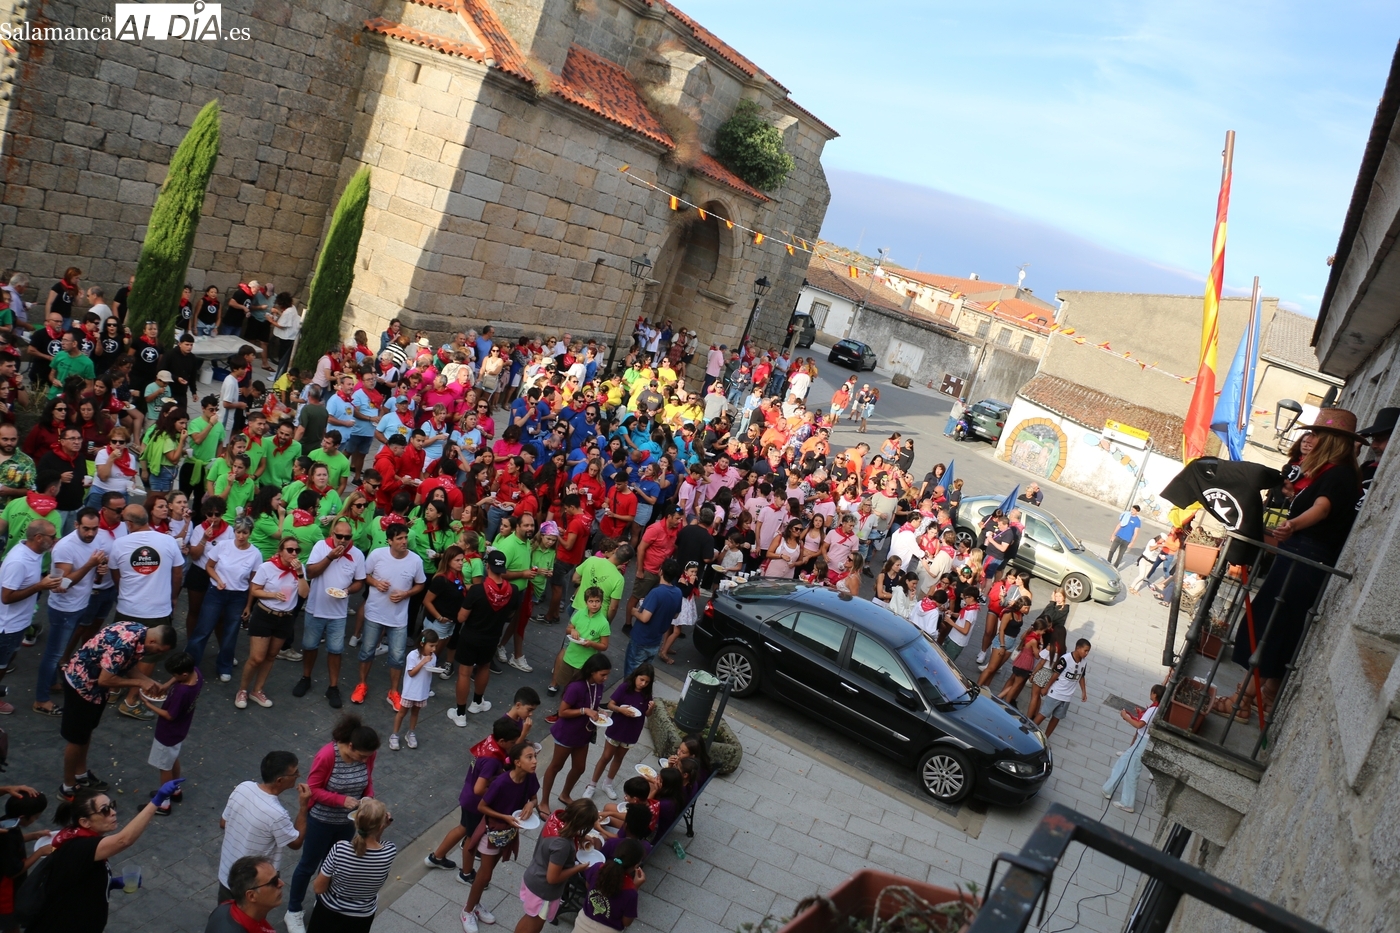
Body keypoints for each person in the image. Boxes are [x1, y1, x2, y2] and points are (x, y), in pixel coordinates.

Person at [25, 784, 178, 932]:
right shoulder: (81, 846)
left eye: (112, 806)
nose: (113, 812)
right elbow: (123, 840)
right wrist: (156, 801)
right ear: (85, 822)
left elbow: (78, 882)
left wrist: (110, 883)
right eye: (105, 810)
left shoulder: (79, 838)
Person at [59, 617, 178, 799]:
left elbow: (126, 666)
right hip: (82, 685)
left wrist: (149, 682)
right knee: (76, 738)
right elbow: (105, 680)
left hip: (95, 690)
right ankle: (68, 786)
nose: (158, 655)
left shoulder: (140, 633)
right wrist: (139, 683)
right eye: (159, 651)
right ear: (153, 641)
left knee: (85, 732)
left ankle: (80, 775)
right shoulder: (124, 645)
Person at [284, 715, 380, 933]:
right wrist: (340, 800)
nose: (364, 760)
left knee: (332, 864)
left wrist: (368, 796)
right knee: (308, 865)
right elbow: (313, 789)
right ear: (350, 745)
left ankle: (322, 899)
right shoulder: (328, 755)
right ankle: (293, 910)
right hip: (321, 821)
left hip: (347, 822)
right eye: (361, 756)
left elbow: (368, 779)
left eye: (368, 757)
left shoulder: (368, 754)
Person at [33, 508, 110, 714]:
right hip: (64, 609)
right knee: (53, 654)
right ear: (76, 525)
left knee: (60, 650)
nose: (91, 533)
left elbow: (97, 569)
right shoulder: (65, 547)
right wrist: (90, 565)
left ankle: (51, 683)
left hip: (81, 604)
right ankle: (41, 700)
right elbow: (64, 582)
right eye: (86, 529)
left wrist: (101, 569)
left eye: (94, 528)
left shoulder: (97, 539)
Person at [460, 741, 540, 933]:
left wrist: (531, 804)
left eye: (535, 757)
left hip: (508, 831)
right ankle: (467, 911)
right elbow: (482, 807)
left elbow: (534, 797)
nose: (534, 761)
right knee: (485, 874)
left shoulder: (529, 777)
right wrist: (505, 817)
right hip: (492, 831)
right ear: (517, 762)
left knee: (487, 872)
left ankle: (476, 904)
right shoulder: (501, 782)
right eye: (529, 757)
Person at [217, 750, 311, 903]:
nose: (298, 775)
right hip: (254, 885)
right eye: (295, 773)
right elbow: (296, 842)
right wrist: (303, 806)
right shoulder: (276, 814)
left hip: (227, 874)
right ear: (279, 780)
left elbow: (223, 823)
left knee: (224, 914)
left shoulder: (243, 787)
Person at [353, 523, 427, 710]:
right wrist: (376, 583)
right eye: (400, 538)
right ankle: (362, 685)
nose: (404, 541)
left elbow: (420, 584)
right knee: (367, 651)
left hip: (398, 619)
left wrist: (406, 594)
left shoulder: (415, 560)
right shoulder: (377, 555)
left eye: (405, 537)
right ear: (390, 541)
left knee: (398, 657)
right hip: (374, 613)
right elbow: (364, 575)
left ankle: (393, 692)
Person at [297, 519, 368, 708]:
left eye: (347, 537)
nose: (343, 540)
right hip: (316, 608)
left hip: (338, 612)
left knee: (335, 650)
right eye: (339, 536)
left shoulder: (357, 554)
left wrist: (348, 591)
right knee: (309, 646)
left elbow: (360, 581)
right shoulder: (321, 547)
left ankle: (333, 686)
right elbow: (310, 573)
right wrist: (330, 557)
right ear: (332, 534)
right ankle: (306, 677)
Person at [237, 537, 310, 710]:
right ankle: (242, 690)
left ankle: (257, 690)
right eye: (290, 550)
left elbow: (304, 594)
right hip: (265, 615)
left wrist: (300, 573)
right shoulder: (267, 567)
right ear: (280, 551)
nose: (294, 553)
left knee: (271, 656)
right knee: (257, 658)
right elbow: (255, 590)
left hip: (285, 618)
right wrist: (273, 595)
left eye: (297, 550)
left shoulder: (299, 569)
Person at [449, 550, 522, 723]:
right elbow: (511, 615)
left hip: (470, 636)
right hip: (492, 637)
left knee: (464, 673)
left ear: (487, 566)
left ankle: (460, 714)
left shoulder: (477, 590)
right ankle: (477, 702)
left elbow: (461, 617)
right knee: (484, 667)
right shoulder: (513, 590)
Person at [188, 515, 261, 682]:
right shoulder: (222, 546)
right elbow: (209, 566)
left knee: (231, 632)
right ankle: (190, 664)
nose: (241, 536)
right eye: (238, 532)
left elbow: (253, 582)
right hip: (216, 592)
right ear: (234, 532)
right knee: (203, 628)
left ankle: (225, 665)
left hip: (238, 596)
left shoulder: (255, 554)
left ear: (250, 533)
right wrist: (218, 580)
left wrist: (248, 605)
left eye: (245, 533)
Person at [308, 798, 397, 933]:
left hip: (328, 913)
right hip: (361, 918)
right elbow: (376, 846)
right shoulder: (389, 851)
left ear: (356, 821)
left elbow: (318, 888)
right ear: (380, 826)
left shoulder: (340, 849)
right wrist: (381, 829)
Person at [512, 799, 599, 933]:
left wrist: (579, 837)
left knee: (530, 918)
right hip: (543, 890)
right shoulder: (562, 845)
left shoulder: (556, 817)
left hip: (534, 874)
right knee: (533, 924)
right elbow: (552, 878)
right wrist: (579, 868)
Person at [539, 653, 611, 811]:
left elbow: (593, 704)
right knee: (556, 766)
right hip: (567, 734)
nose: (605, 678)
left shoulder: (598, 685)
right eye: (603, 674)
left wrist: (600, 711)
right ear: (592, 671)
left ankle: (565, 794)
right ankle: (543, 802)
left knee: (579, 768)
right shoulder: (576, 687)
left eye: (607, 675)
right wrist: (585, 710)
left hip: (583, 734)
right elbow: (562, 712)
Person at [141, 651, 202, 815]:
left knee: (164, 766)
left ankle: (164, 802)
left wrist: (149, 705)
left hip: (167, 732)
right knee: (172, 758)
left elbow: (169, 715)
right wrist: (167, 685)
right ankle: (175, 789)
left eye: (175, 675)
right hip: (181, 729)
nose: (173, 677)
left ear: (184, 674)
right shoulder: (196, 673)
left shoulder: (182, 692)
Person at [585, 662, 654, 800]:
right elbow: (611, 704)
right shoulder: (625, 687)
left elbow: (646, 714)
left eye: (647, 682)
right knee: (606, 756)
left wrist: (651, 708)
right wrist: (620, 710)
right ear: (636, 676)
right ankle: (592, 785)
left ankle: (607, 784)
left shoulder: (647, 694)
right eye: (641, 680)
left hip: (632, 731)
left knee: (619, 758)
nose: (643, 684)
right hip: (617, 727)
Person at [1103, 684, 1164, 814]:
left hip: (1142, 741)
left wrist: (1126, 717)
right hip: (1142, 741)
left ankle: (1127, 803)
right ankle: (1108, 788)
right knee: (1123, 761)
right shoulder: (1158, 708)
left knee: (1132, 771)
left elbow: (1139, 724)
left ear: (1155, 694)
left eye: (1151, 692)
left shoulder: (1153, 709)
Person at [625, 558, 681, 676]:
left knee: (631, 674)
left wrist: (634, 612)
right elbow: (676, 615)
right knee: (643, 674)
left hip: (641, 639)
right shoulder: (678, 592)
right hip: (655, 641)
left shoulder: (656, 592)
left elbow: (645, 618)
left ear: (661, 571)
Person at [576, 837, 643, 933]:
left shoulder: (597, 868)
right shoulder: (631, 892)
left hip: (582, 923)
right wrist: (635, 887)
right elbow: (626, 922)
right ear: (635, 866)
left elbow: (588, 885)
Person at [205, 855, 285, 933]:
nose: (281, 883)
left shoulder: (225, 907)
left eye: (278, 876)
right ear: (251, 896)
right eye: (273, 882)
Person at [389, 630, 439, 750]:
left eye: (435, 646)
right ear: (422, 644)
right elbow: (411, 673)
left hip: (422, 691)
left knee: (415, 713)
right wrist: (423, 662)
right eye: (431, 646)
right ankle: (394, 734)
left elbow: (429, 671)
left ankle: (411, 732)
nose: (434, 649)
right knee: (402, 713)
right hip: (410, 691)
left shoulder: (433, 657)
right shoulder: (413, 655)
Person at [1034, 638, 1091, 737]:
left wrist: (1084, 692)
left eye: (1088, 651)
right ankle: (1029, 731)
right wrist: (1046, 688)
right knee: (1044, 714)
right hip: (1056, 693)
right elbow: (1055, 674)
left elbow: (1081, 676)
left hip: (1067, 696)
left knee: (1056, 717)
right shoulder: (1065, 659)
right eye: (1085, 650)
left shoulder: (1084, 662)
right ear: (1078, 648)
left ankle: (1046, 737)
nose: (1086, 653)